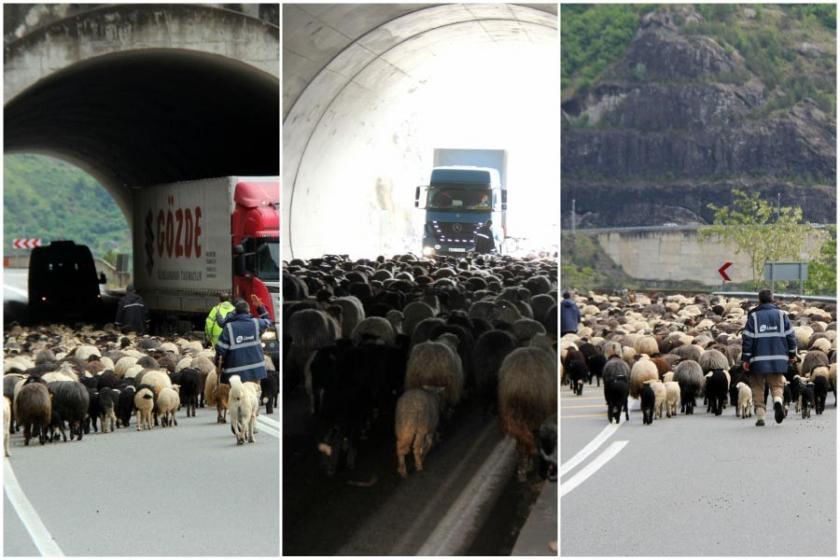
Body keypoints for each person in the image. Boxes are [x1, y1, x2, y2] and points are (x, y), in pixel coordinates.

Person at [741, 289, 797, 426]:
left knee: (757, 386)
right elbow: (791, 336)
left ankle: (760, 415)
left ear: (759, 300)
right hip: (778, 358)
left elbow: (747, 339)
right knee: (777, 384)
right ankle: (778, 400)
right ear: (772, 299)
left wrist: (746, 358)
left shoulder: (753, 316)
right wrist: (792, 354)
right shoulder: (782, 315)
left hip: (757, 359)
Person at [215, 298, 272, 384]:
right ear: (248, 311)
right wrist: (260, 307)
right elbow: (268, 321)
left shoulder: (229, 327)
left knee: (237, 397)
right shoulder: (256, 323)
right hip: (255, 373)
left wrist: (219, 366)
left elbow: (220, 350)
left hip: (234, 376)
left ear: (236, 312)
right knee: (253, 396)